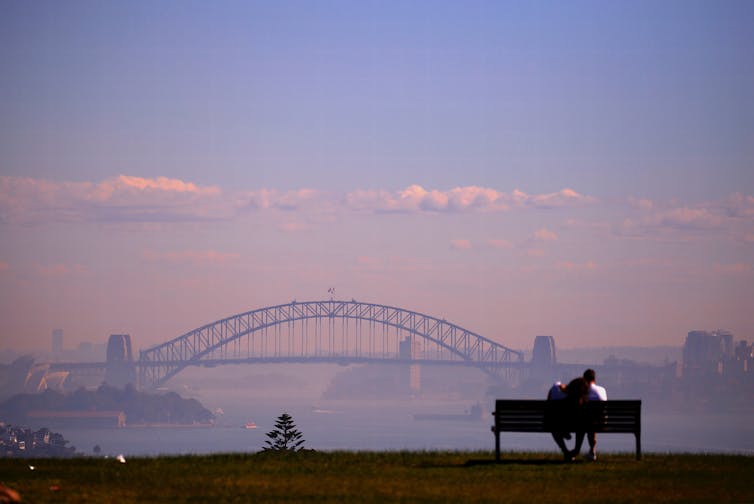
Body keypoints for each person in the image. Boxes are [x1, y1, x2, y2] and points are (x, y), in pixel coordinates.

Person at [547, 378, 589, 461]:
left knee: (553, 426)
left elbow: (549, 399)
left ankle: (565, 451)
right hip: (575, 425)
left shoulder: (558, 393)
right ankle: (576, 450)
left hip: (558, 424)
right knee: (582, 426)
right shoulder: (580, 400)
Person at [572, 368, 607, 461]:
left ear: (584, 379)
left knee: (583, 422)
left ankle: (576, 451)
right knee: (590, 421)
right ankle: (592, 451)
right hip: (602, 423)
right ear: (594, 379)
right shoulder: (602, 389)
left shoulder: (584, 391)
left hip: (587, 423)